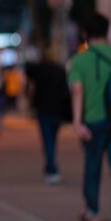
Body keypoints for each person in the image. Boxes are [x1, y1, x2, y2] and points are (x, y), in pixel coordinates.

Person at [68, 13, 111, 221]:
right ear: (107, 31)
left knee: (92, 167)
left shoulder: (78, 60)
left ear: (85, 34)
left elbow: (77, 91)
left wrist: (77, 121)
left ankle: (92, 212)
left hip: (92, 121)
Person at [25, 46, 72, 185]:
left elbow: (27, 69)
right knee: (52, 139)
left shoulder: (38, 70)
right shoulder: (59, 70)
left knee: (47, 141)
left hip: (43, 110)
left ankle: (51, 169)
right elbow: (65, 91)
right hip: (56, 110)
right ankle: (50, 166)